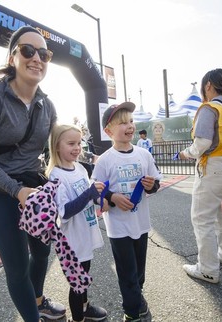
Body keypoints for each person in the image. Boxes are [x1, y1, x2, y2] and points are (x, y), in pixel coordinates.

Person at [0, 25, 66, 321]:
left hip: (35, 188)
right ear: (13, 58)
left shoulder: (47, 105)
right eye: (28, 50)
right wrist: (16, 190)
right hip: (0, 192)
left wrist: (91, 167)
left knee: (43, 253)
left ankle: (38, 300)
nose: (37, 58)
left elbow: (57, 150)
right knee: (18, 265)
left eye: (44, 54)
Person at [91, 102, 162, 322]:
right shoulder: (105, 160)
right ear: (108, 131)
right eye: (122, 122)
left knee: (139, 272)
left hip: (141, 224)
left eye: (131, 121)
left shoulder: (143, 155)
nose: (129, 126)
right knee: (127, 272)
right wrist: (112, 197)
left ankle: (136, 298)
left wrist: (151, 185)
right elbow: (96, 191)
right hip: (119, 228)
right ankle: (131, 313)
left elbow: (156, 183)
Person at [178, 68, 222, 284]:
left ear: (207, 85)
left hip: (212, 167)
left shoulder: (209, 108)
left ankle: (208, 269)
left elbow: (202, 143)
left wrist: (185, 153)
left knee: (202, 219)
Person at [45, 123, 107, 322]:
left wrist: (100, 199)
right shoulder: (56, 176)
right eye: (71, 143)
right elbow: (65, 211)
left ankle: (85, 308)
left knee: (84, 277)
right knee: (77, 284)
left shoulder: (79, 168)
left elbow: (89, 195)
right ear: (56, 146)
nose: (77, 147)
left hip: (86, 232)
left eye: (78, 143)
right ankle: (78, 318)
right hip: (73, 240)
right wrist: (90, 193)